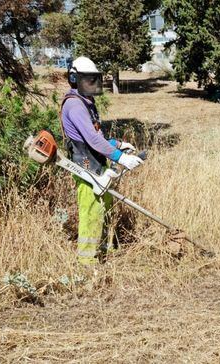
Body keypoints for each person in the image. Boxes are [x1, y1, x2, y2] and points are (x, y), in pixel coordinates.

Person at [60, 56, 144, 265]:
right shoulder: (75, 105)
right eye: (87, 79)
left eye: (94, 79)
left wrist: (117, 144)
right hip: (85, 166)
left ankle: (104, 252)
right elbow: (91, 140)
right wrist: (121, 158)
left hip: (97, 163)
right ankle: (87, 262)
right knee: (91, 210)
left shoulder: (87, 103)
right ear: (74, 78)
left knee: (104, 207)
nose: (92, 84)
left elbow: (97, 137)